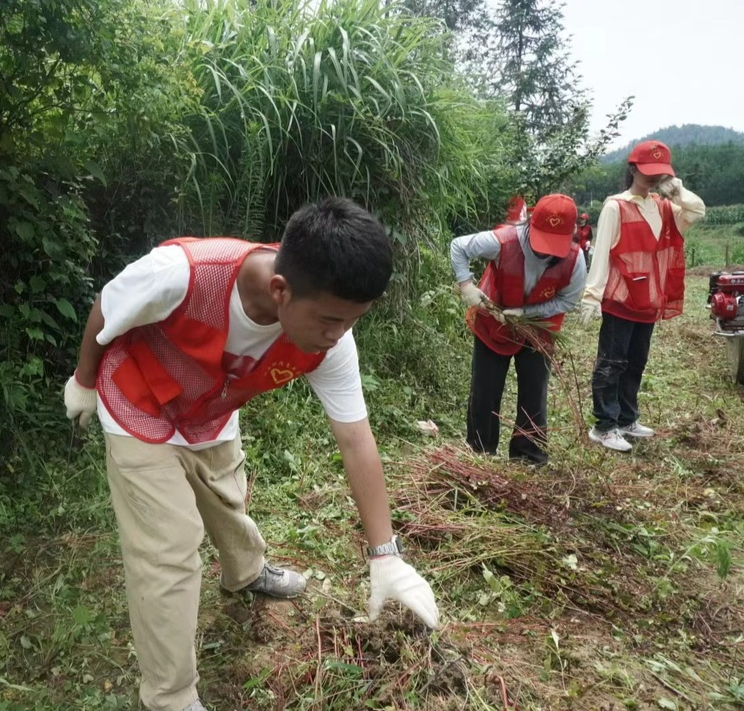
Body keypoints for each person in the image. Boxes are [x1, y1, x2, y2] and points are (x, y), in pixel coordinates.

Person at [63, 198, 439, 711]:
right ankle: (170, 697)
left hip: (211, 416)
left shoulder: (331, 341)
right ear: (280, 290)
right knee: (167, 552)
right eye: (330, 320)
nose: (338, 335)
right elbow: (108, 304)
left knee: (227, 498)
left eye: (352, 322)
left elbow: (356, 439)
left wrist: (386, 557)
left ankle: (246, 572)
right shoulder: (185, 273)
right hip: (139, 406)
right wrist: (83, 382)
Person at [579, 140, 705, 452]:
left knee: (636, 362)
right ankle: (604, 425)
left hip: (649, 299)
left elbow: (698, 211)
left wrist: (677, 192)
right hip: (621, 299)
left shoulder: (663, 207)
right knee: (611, 362)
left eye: (659, 173)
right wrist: (592, 296)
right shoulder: (615, 206)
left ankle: (626, 418)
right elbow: (603, 253)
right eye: (647, 172)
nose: (652, 178)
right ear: (633, 169)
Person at [451, 194, 586, 465]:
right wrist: (466, 285)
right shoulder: (502, 241)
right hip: (493, 323)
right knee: (485, 389)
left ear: (570, 234)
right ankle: (480, 450)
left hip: (539, 330)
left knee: (534, 391)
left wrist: (527, 314)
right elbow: (458, 246)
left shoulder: (575, 260)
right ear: (530, 225)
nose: (546, 251)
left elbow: (568, 300)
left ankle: (528, 455)